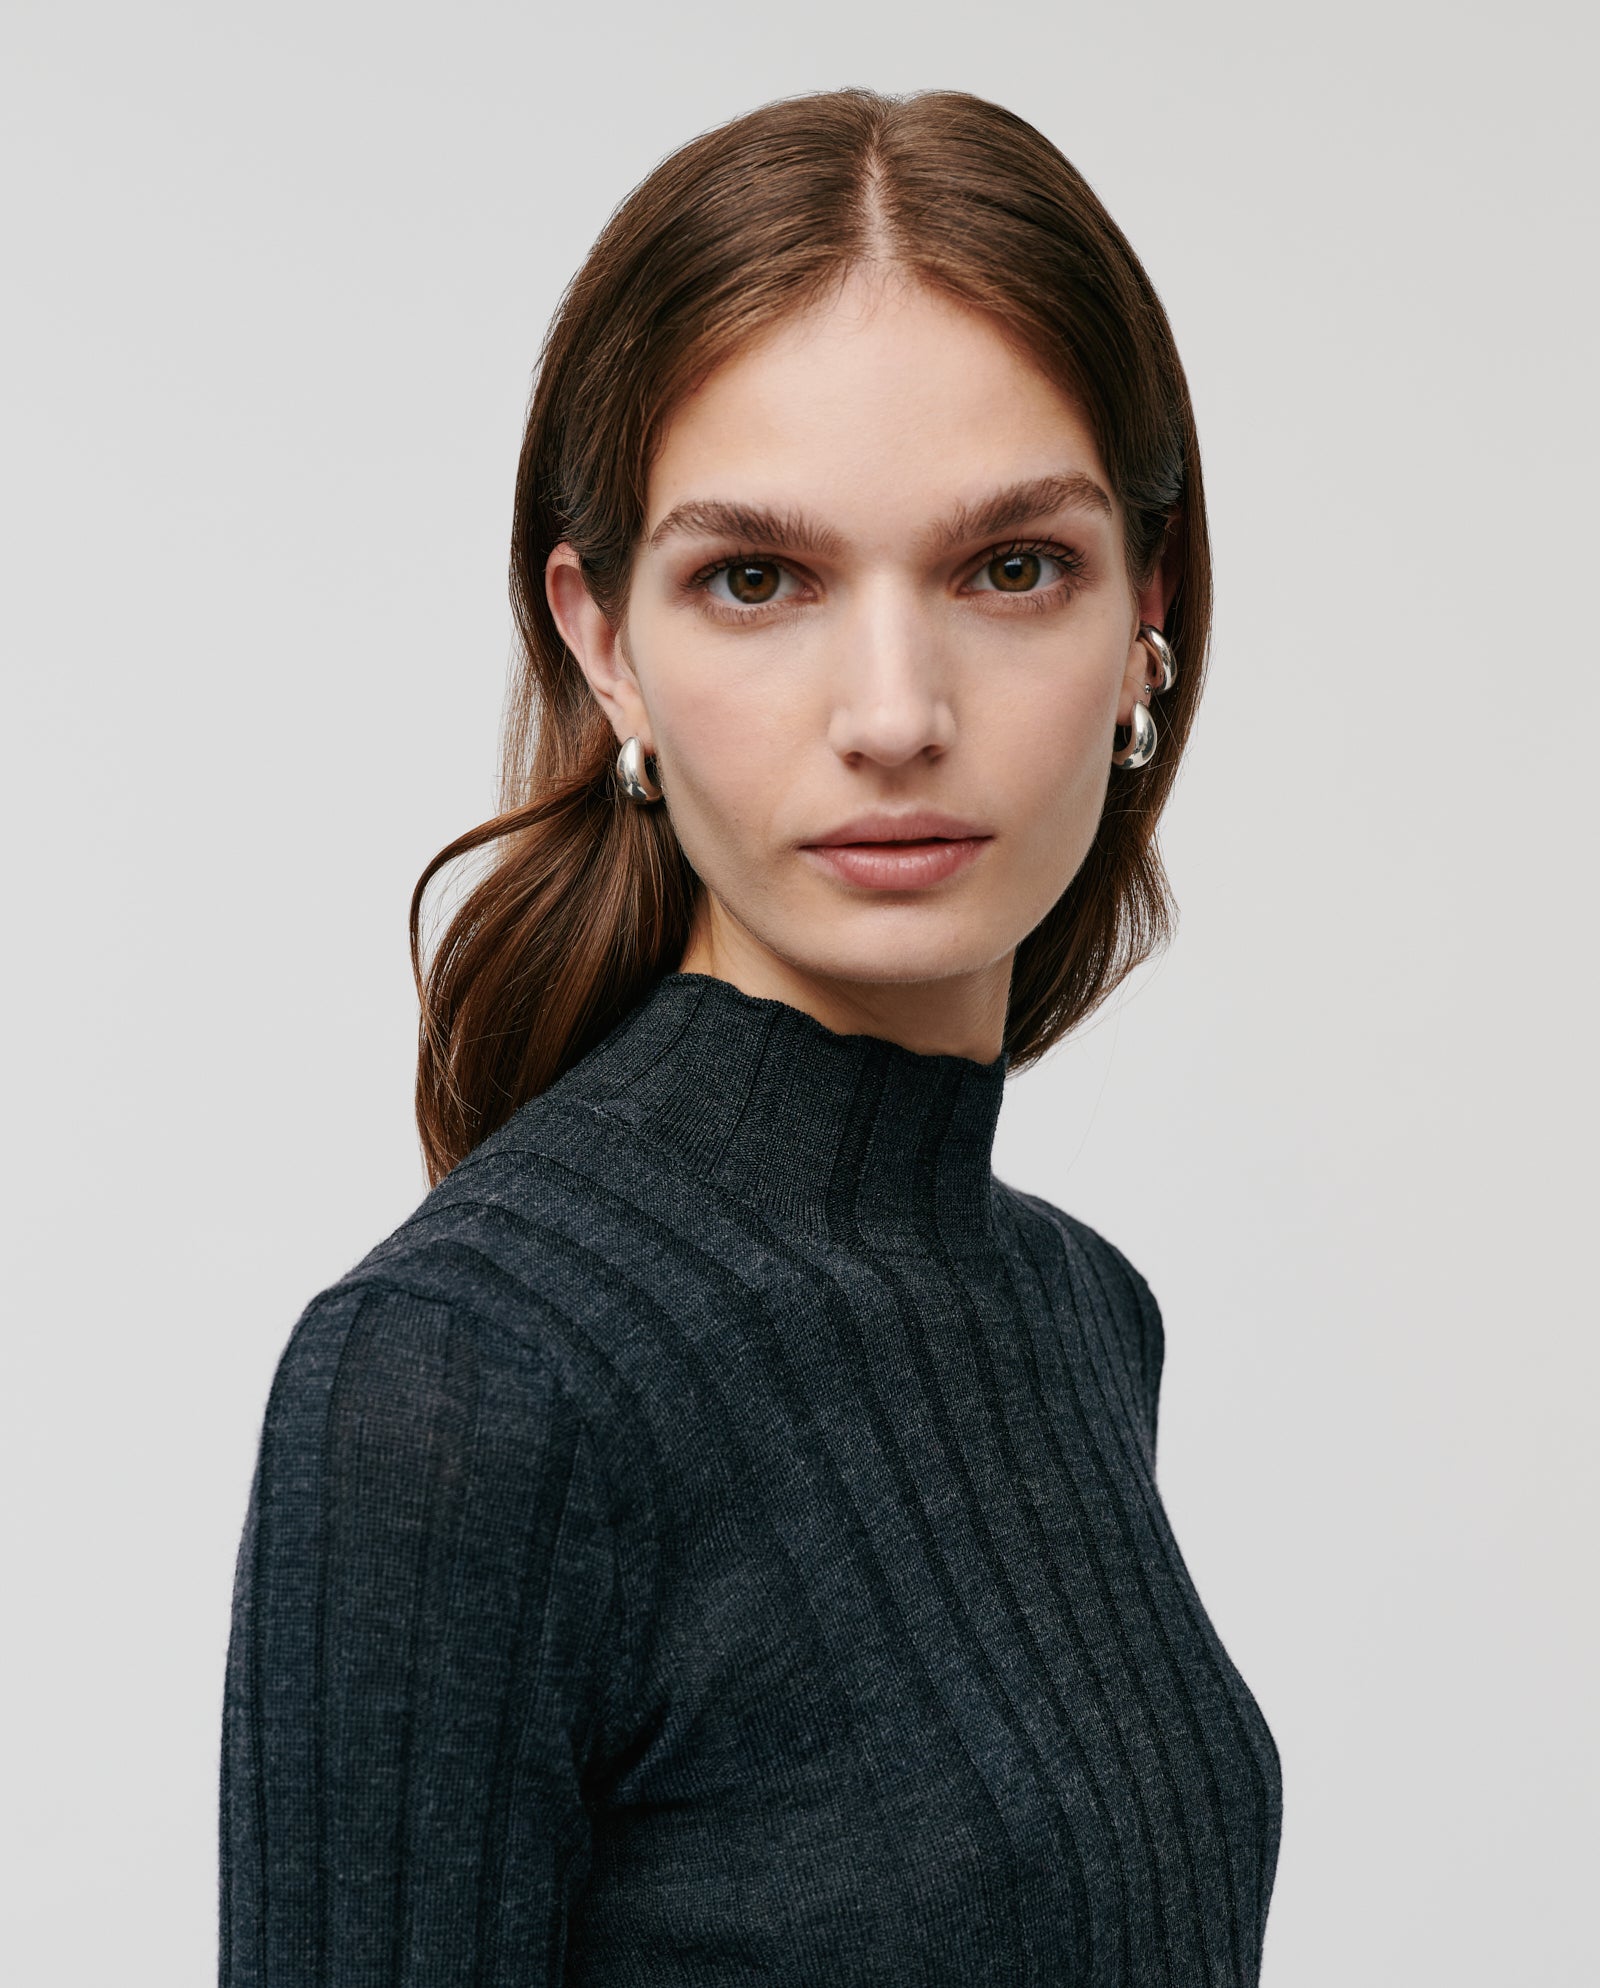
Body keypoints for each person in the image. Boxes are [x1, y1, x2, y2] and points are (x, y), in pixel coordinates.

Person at [219, 85, 1283, 1987]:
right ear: (605, 640)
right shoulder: (463, 1383)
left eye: (1010, 566)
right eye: (758, 580)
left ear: (1153, 616)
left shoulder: (1074, 1315)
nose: (893, 712)